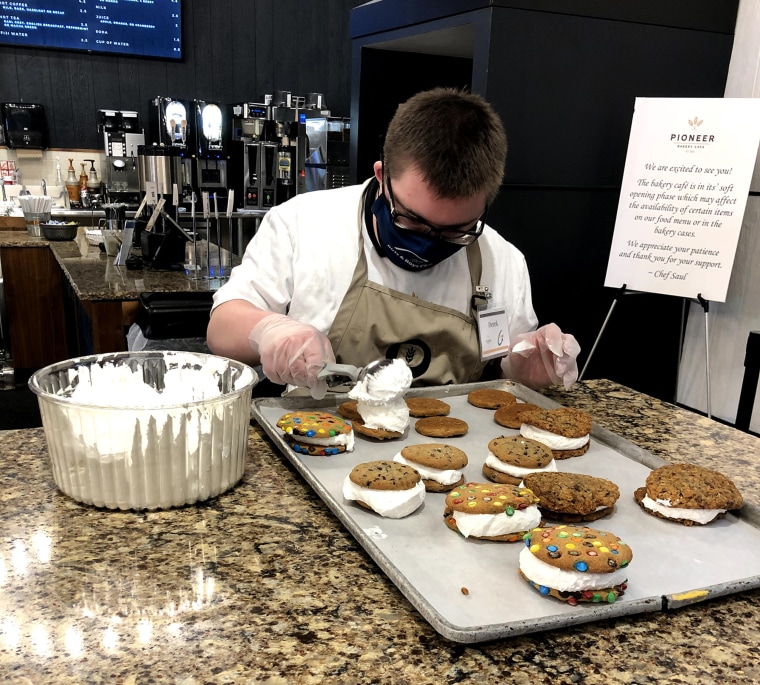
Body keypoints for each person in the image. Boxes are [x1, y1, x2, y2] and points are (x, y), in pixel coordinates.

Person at [207, 88, 579, 398]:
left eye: (456, 231)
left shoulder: (503, 262)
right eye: (412, 220)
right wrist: (270, 330)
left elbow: (503, 361)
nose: (430, 242)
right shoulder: (304, 224)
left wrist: (525, 368)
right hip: (320, 443)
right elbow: (221, 327)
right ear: (382, 176)